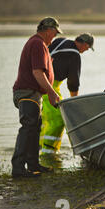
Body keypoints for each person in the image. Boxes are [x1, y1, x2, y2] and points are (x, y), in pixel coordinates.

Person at [12, 17, 62, 178]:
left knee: (35, 128)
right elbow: (37, 72)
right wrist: (52, 92)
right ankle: (18, 168)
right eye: (54, 34)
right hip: (27, 92)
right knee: (28, 127)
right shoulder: (37, 44)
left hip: (33, 94)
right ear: (48, 31)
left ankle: (33, 164)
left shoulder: (40, 45)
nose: (54, 37)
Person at [40, 33, 94, 154]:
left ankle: (38, 148)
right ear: (85, 44)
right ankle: (48, 153)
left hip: (39, 82)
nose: (85, 51)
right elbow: (73, 81)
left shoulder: (60, 41)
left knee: (46, 118)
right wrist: (74, 103)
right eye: (87, 48)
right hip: (50, 87)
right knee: (59, 119)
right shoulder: (74, 55)